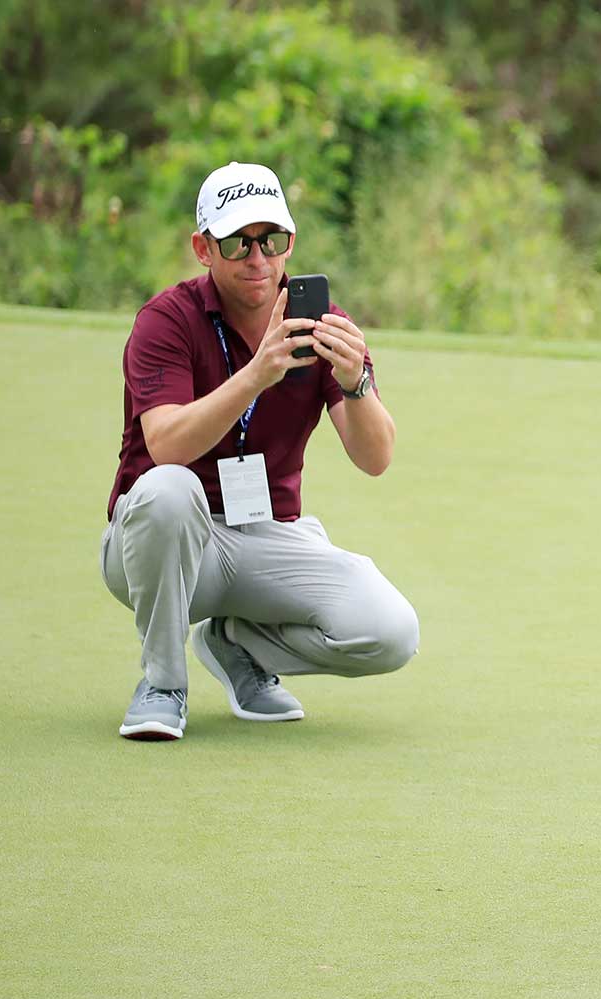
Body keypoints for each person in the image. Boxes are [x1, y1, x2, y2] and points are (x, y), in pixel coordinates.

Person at [101, 161, 418, 741]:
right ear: (203, 248)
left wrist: (355, 381)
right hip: (160, 546)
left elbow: (375, 458)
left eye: (272, 240)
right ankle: (163, 684)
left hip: (265, 537)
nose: (259, 259)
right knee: (170, 491)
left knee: (391, 631)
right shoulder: (165, 321)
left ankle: (235, 642)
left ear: (289, 243)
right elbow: (166, 445)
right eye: (238, 242)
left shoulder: (322, 323)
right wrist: (256, 374)